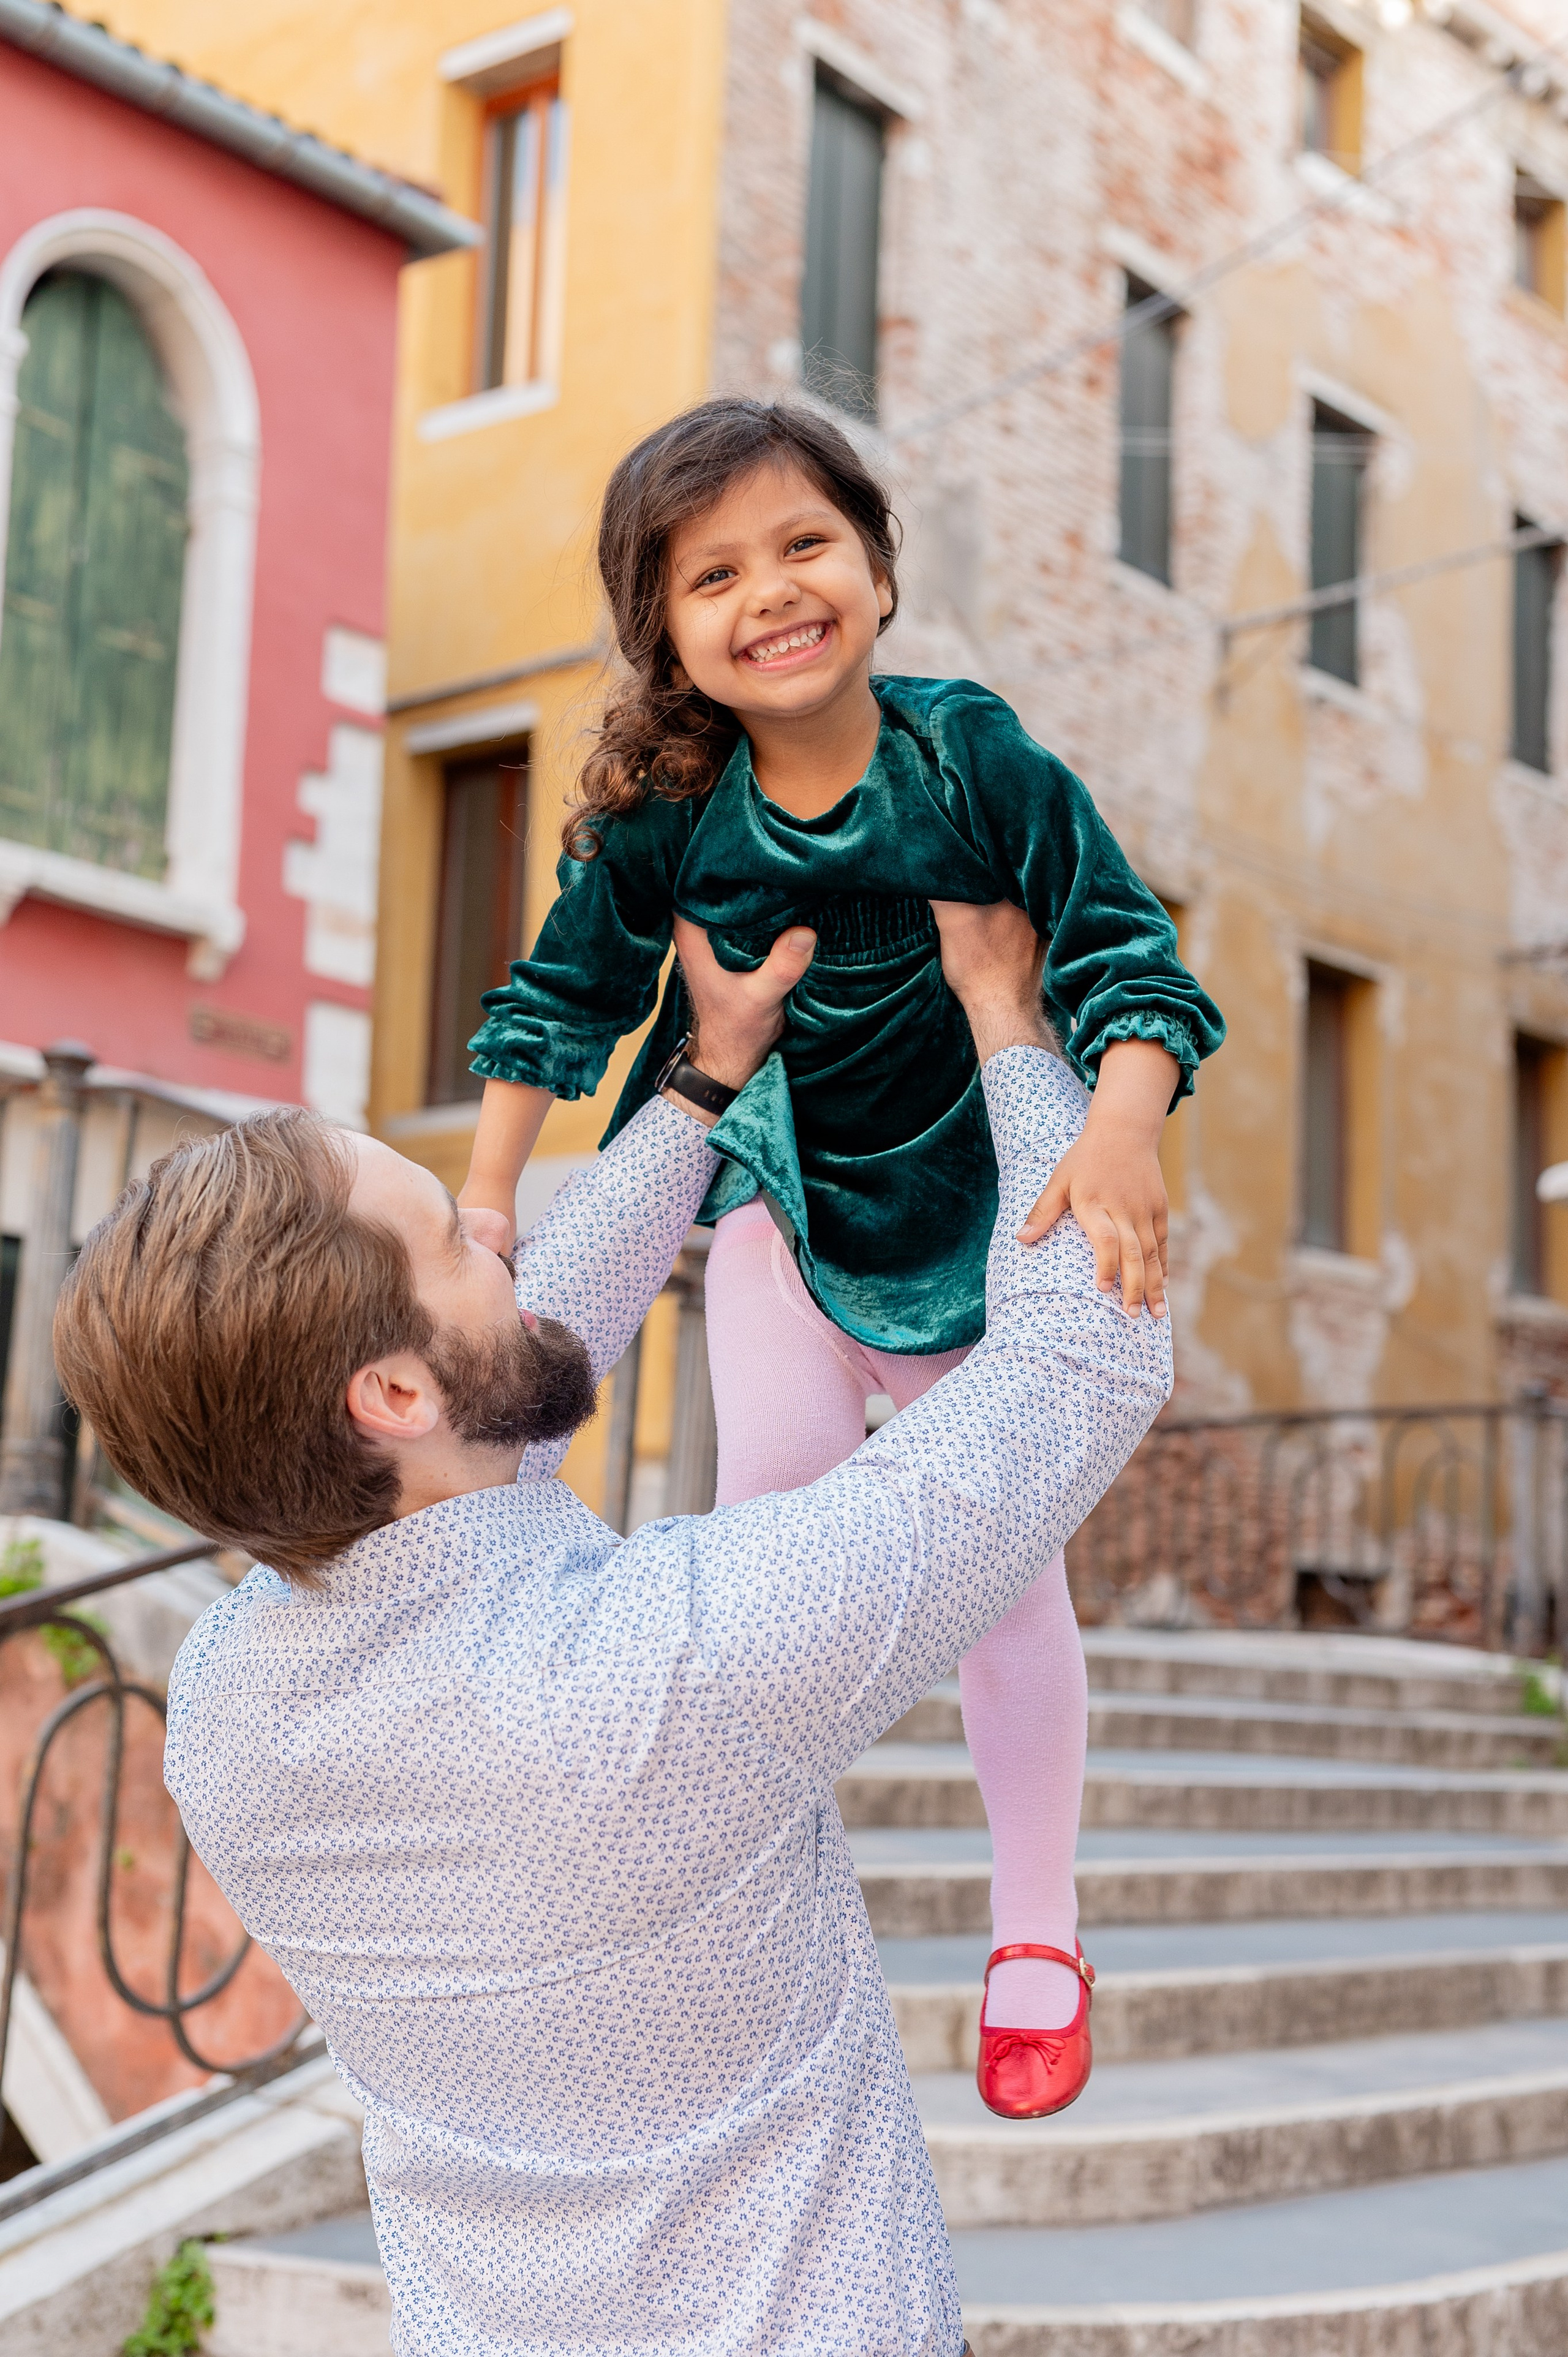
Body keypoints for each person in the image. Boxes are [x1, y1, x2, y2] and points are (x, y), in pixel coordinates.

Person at [53, 901, 1169, 2357]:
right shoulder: (665, 1668)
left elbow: (489, 1395)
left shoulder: (223, 1703)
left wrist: (702, 1082)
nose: (493, 1234)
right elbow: (1085, 1361)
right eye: (452, 1238)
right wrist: (1009, 1021)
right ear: (389, 1395)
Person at [455, 398, 1223, 2109]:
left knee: (1001, 1571)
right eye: (711, 573)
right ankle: (728, 1899)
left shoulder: (970, 758)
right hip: (783, 1211)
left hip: (983, 1219)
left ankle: (1038, 1925)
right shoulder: (672, 811)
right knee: (765, 1550)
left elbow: (1121, 946)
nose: (769, 591)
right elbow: (561, 1001)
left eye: (803, 544)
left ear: (877, 570)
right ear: (667, 635)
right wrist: (496, 1201)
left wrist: (1124, 1124)